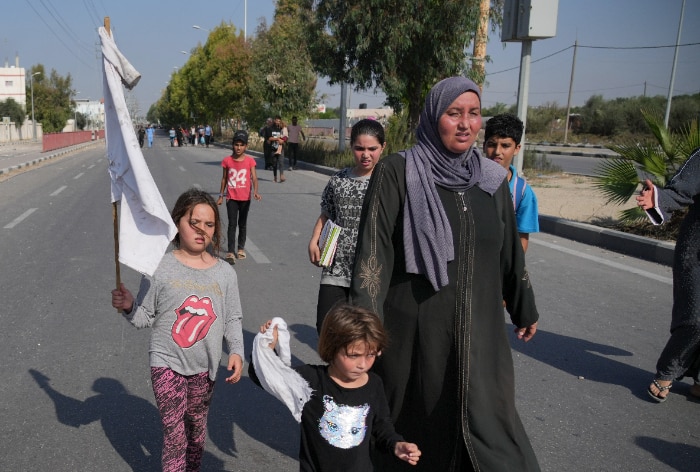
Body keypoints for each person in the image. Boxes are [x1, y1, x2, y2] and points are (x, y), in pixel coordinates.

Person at [350, 76, 541, 471]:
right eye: (454, 113)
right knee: (420, 435)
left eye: (473, 114)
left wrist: (524, 307)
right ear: (435, 116)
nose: (466, 123)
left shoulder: (492, 181)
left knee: (494, 436)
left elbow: (508, 253)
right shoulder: (397, 171)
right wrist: (365, 330)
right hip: (417, 336)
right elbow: (374, 254)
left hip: (482, 336)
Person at [111, 188, 244, 472]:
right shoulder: (159, 267)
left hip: (205, 368)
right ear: (177, 223)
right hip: (166, 362)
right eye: (193, 222)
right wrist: (128, 306)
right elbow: (144, 317)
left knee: (195, 432)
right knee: (174, 434)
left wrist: (236, 351)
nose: (201, 230)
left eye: (209, 225)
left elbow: (233, 318)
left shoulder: (225, 274)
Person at [251, 304, 422, 471]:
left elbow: (382, 426)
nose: (362, 364)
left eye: (370, 355)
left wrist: (396, 444)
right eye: (354, 355)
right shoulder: (311, 381)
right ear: (332, 349)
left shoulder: (374, 384)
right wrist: (267, 346)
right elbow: (265, 377)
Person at [308, 119, 386, 333]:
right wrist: (315, 240)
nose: (366, 154)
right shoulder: (338, 180)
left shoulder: (388, 182)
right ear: (351, 146)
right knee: (327, 327)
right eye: (359, 148)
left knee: (364, 333)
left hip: (370, 272)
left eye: (372, 149)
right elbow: (327, 213)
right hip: (336, 267)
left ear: (383, 147)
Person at [637, 147, 700, 402]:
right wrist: (658, 199)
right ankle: (667, 371)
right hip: (696, 251)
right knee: (695, 318)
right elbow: (680, 190)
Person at [484, 113, 540, 252]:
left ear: (517, 149)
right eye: (492, 144)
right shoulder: (471, 182)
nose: (497, 151)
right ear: (484, 146)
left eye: (505, 145)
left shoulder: (522, 192)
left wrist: (514, 270)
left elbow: (522, 238)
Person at [217, 130, 261, 265]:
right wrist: (221, 196)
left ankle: (240, 248)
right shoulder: (227, 161)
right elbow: (224, 179)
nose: (239, 147)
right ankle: (230, 251)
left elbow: (254, 177)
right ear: (233, 145)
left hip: (245, 198)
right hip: (231, 197)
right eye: (236, 144)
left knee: (242, 224)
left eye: (242, 145)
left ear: (246, 146)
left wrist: (255, 192)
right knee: (232, 224)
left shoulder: (250, 161)